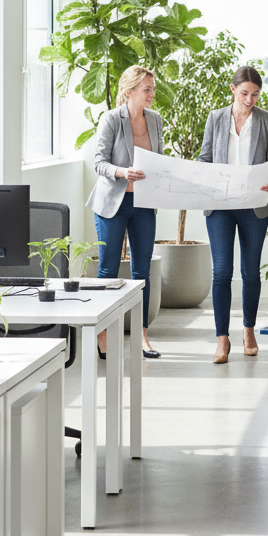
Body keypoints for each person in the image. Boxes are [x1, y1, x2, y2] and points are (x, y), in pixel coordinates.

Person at [198, 66, 268, 364]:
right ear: (233, 89)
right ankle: (222, 338)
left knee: (250, 271)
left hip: (253, 205)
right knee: (221, 272)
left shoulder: (267, 121)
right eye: (245, 93)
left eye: (255, 94)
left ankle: (248, 330)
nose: (250, 100)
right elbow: (204, 158)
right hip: (220, 206)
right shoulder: (215, 118)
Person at [87, 66, 163, 359]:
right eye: (147, 89)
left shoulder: (155, 120)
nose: (152, 94)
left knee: (142, 271)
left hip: (143, 203)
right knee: (108, 269)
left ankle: (142, 335)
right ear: (129, 92)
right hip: (113, 203)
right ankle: (103, 333)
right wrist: (122, 172)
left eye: (152, 89)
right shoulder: (111, 119)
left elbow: (158, 159)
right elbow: (99, 162)